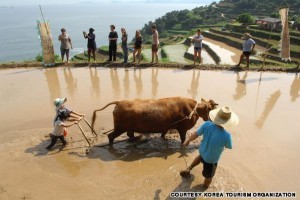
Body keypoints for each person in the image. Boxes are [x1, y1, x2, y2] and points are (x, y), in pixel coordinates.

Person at [180, 106, 239, 188]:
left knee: (199, 157)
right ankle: (205, 187)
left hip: (203, 151)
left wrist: (187, 141)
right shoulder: (227, 136)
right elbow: (229, 146)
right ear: (228, 122)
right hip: (212, 160)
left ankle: (189, 169)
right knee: (208, 176)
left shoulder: (207, 124)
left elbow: (196, 134)